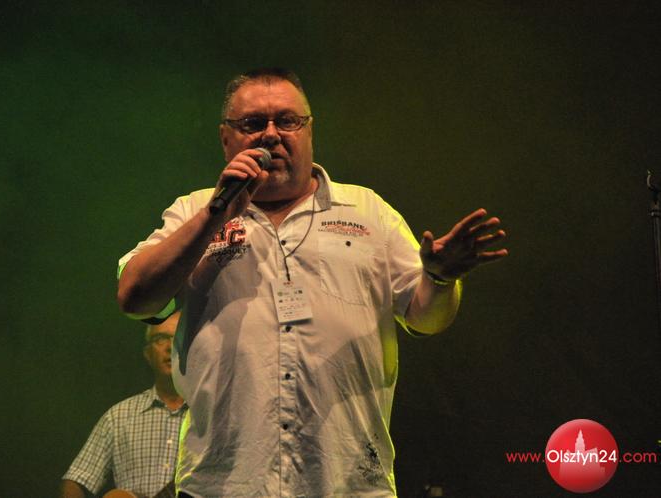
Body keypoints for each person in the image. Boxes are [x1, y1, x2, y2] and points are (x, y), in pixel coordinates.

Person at [116, 68, 508, 497]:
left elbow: (427, 319)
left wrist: (439, 277)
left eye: (287, 121)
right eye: (252, 123)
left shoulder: (367, 210)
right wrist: (215, 215)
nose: (270, 134)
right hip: (223, 484)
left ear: (309, 131)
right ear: (226, 138)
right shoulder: (194, 210)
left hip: (347, 483)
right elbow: (135, 298)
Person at [60, 312, 186, 498]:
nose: (170, 346)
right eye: (160, 339)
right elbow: (76, 480)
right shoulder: (118, 416)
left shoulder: (216, 416)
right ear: (148, 354)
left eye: (179, 337)